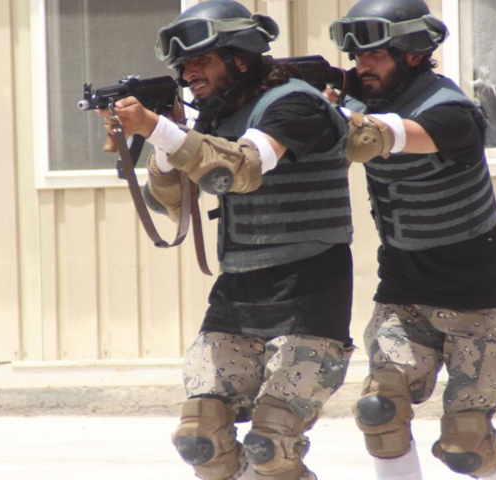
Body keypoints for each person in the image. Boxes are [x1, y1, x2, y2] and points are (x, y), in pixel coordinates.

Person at [103, 1, 355, 479]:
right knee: (201, 437)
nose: (188, 71)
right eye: (183, 64)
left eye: (202, 59)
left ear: (241, 58)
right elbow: (171, 203)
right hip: (238, 293)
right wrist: (160, 139)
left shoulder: (296, 103)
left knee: (271, 445)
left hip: (308, 290)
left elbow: (240, 167)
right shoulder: (216, 117)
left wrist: (159, 128)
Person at [326, 0, 496, 479]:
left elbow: (388, 136)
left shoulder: (452, 111)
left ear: (413, 53)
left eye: (375, 55)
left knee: (466, 443)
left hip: (478, 294)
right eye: (357, 58)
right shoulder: (362, 105)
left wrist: (330, 112)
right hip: (405, 289)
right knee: (379, 411)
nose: (362, 66)